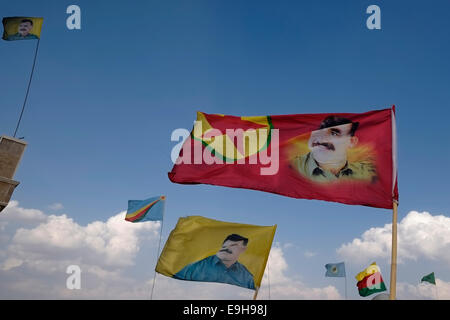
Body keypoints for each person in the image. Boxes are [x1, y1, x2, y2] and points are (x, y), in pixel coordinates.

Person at [294, 115, 376, 182]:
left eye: (334, 133)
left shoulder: (367, 174)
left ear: (351, 142)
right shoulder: (292, 168)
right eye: (318, 131)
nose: (322, 139)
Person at [173, 234, 255, 290]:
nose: (226, 249)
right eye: (224, 246)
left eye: (233, 246)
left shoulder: (246, 276)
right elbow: (174, 284)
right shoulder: (196, 267)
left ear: (243, 249)